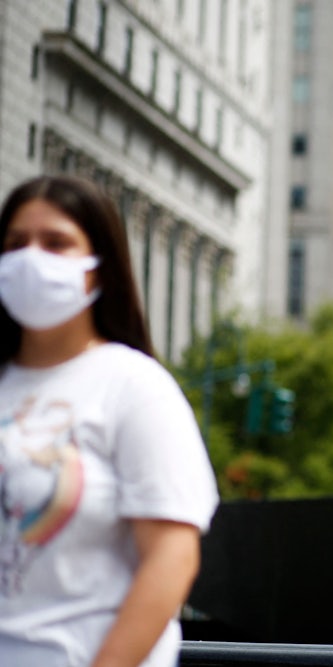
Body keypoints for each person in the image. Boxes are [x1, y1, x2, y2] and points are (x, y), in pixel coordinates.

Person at [0, 175, 219, 666]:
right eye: (15, 244)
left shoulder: (135, 387)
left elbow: (171, 560)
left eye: (56, 243)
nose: (31, 258)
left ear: (98, 268)